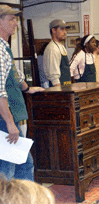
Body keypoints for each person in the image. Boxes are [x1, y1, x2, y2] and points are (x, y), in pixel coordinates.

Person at [0, 5, 45, 181]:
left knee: (24, 165)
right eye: (11, 19)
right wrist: (10, 123)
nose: (16, 24)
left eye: (16, 19)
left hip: (7, 118)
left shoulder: (4, 47)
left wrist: (27, 88)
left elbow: (14, 74)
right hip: (4, 119)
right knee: (7, 171)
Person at [43, 19, 71, 87]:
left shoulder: (61, 46)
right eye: (62, 29)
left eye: (65, 30)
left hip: (66, 87)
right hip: (58, 89)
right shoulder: (52, 49)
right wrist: (59, 93)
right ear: (53, 30)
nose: (65, 32)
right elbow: (54, 76)